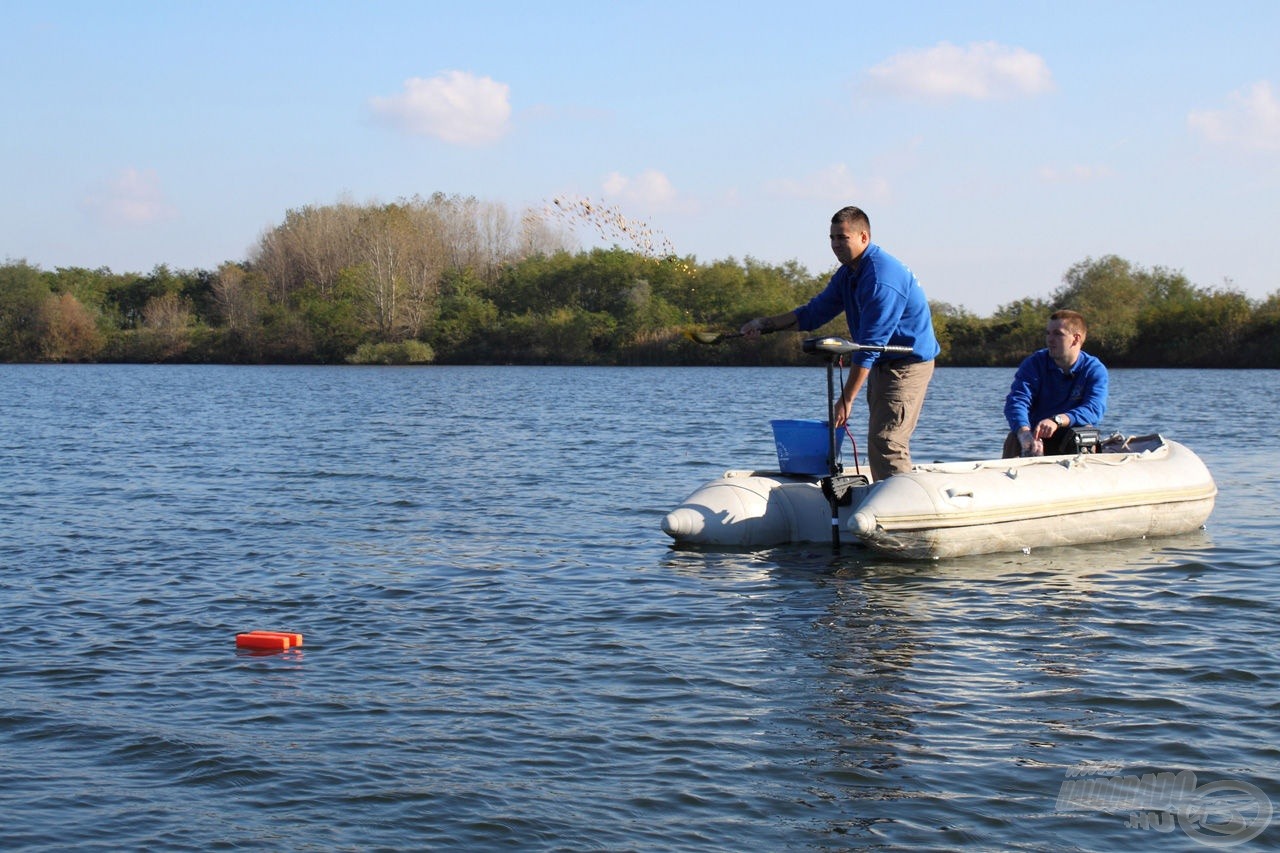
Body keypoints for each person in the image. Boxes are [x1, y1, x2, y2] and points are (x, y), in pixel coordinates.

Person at [741, 206, 940, 481]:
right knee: (879, 440)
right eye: (832, 238)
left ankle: (901, 509)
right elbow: (813, 313)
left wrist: (846, 399)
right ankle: (884, 494)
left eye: (843, 238)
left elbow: (869, 346)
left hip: (906, 364)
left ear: (864, 237)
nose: (835, 245)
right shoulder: (848, 274)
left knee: (887, 441)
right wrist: (765, 324)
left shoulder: (881, 278)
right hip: (882, 362)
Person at [1002, 309, 1108, 458]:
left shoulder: (1094, 369)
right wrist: (1024, 432)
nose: (1050, 340)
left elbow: (1094, 409)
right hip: (1036, 438)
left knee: (1086, 433)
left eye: (1057, 334)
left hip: (1072, 439)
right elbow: (1017, 401)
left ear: (1076, 339)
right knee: (1015, 437)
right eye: (1048, 333)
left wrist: (1057, 420)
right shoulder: (1034, 363)